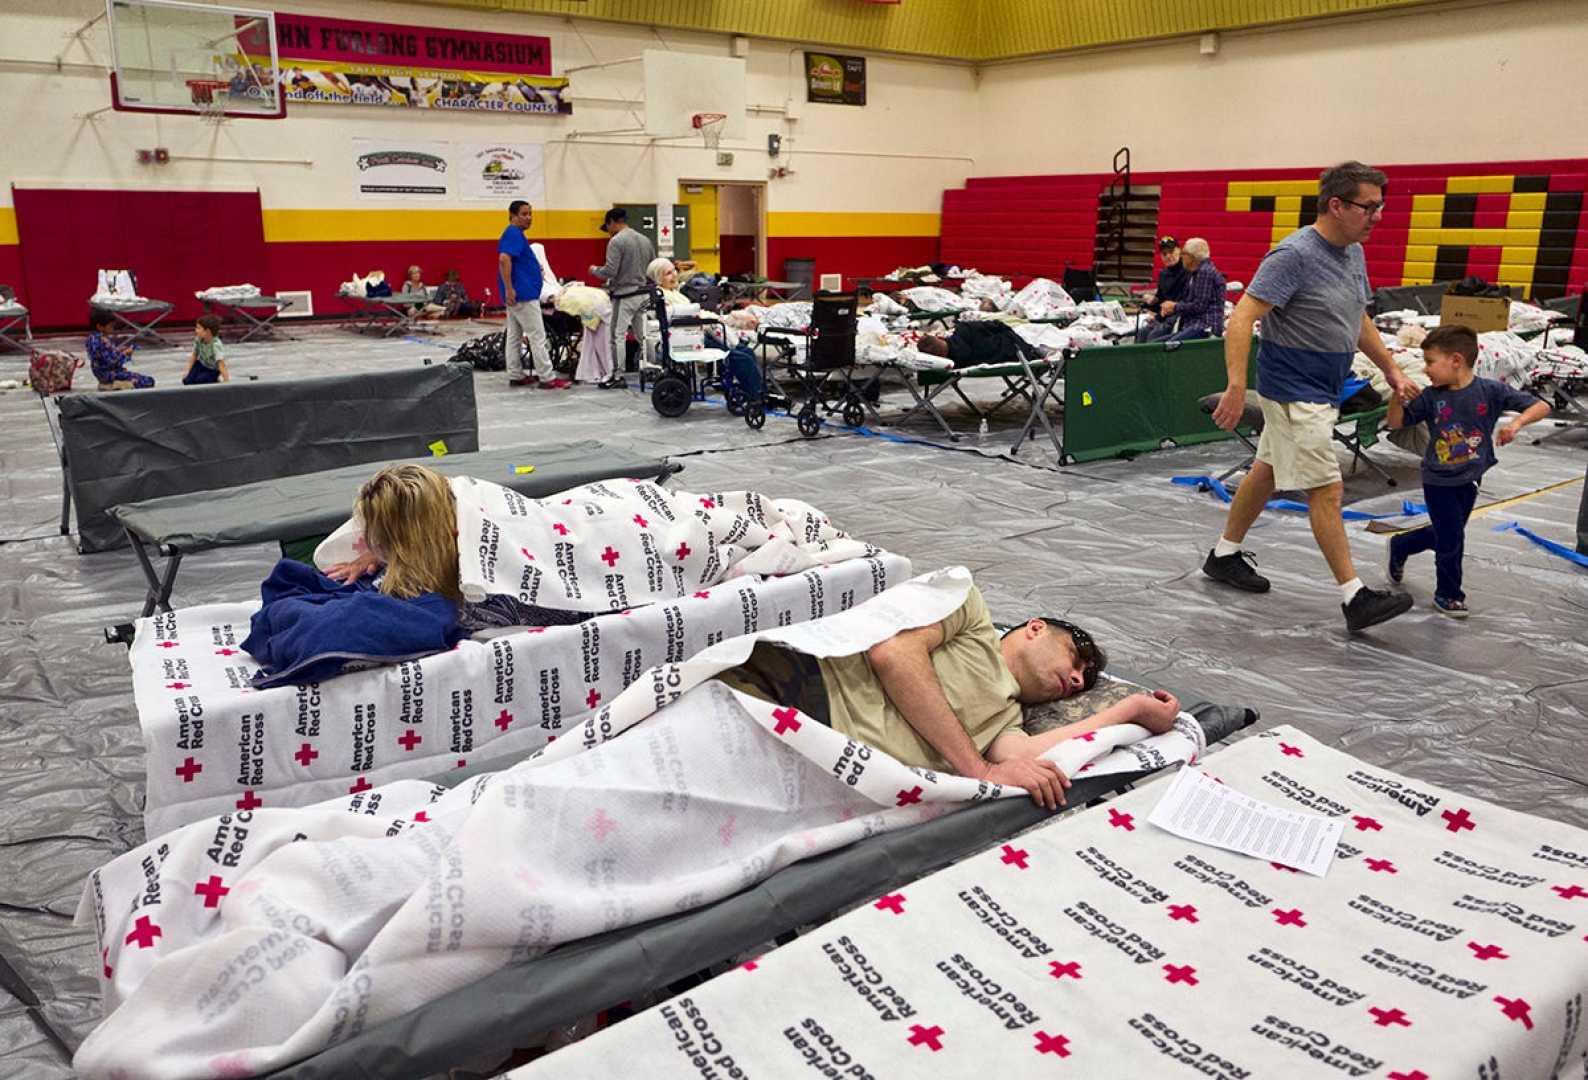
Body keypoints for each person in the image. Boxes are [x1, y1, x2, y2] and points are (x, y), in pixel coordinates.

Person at [717, 586, 1182, 809]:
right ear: (1035, 627)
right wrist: (977, 769)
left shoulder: (1007, 719)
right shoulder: (970, 613)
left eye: (1085, 678)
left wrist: (1131, 710)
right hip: (799, 686)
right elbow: (894, 654)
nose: (1079, 679)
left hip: (823, 758)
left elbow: (1031, 757)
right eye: (1077, 657)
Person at [1205, 161, 1419, 635]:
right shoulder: (1293, 255)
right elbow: (1242, 319)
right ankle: (1354, 596)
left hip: (1323, 390)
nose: (1377, 216)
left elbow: (1357, 317)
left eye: (1381, 207)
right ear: (1336, 205)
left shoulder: (1352, 254)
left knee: (1266, 471)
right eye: (1369, 207)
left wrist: (1391, 369)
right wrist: (1238, 385)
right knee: (1326, 487)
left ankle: (1223, 555)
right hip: (1291, 391)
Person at [1386, 325, 1550, 616]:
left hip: (1472, 477)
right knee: (1452, 539)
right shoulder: (1430, 397)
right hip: (1438, 479)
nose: (1426, 370)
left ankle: (1402, 544)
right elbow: (1398, 423)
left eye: (1430, 362)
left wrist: (1515, 424)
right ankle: (1448, 594)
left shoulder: (1490, 391)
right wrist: (1396, 398)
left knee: (1448, 533)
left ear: (1456, 361)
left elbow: (1541, 405)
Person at [498, 201, 569, 390]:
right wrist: (510, 288)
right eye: (524, 214)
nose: (529, 217)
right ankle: (547, 377)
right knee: (538, 336)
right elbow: (504, 260)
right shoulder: (513, 233)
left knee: (514, 336)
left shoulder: (516, 235)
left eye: (530, 214)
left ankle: (515, 374)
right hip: (523, 294)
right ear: (513, 216)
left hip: (520, 293)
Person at [590, 208, 656, 381]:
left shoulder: (616, 241)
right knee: (643, 335)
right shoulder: (645, 240)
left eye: (608, 228)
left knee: (616, 336)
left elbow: (610, 271)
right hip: (643, 294)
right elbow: (652, 268)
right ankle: (652, 368)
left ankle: (617, 375)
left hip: (625, 295)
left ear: (612, 222)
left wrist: (594, 270)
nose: (608, 233)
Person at [1140, 237, 1225, 343]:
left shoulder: (1204, 272)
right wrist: (1156, 306)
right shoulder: (1196, 272)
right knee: (1148, 337)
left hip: (1204, 325)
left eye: (1184, 254)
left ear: (1192, 257)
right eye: (1164, 254)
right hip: (1191, 322)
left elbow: (1199, 306)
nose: (1182, 257)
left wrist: (1174, 306)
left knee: (1158, 344)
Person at [85, 309, 154, 390]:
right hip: (108, 374)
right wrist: (124, 354)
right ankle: (114, 385)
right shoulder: (100, 341)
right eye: (110, 326)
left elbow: (106, 355)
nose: (112, 329)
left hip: (104, 374)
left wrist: (118, 350)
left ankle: (115, 384)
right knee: (148, 381)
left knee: (143, 379)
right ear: (100, 326)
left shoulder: (94, 339)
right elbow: (110, 361)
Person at [1135, 236, 1187, 341]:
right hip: (1164, 317)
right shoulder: (1163, 274)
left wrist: (1165, 311)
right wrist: (1152, 301)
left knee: (1153, 337)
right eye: (1164, 254)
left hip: (1180, 317)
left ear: (1179, 251)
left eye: (1171, 251)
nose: (1168, 256)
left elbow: (1187, 301)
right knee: (1141, 333)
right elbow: (1161, 299)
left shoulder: (1188, 272)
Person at [181, 314, 230, 386]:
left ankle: (214, 379)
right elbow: (194, 355)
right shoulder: (198, 339)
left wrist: (226, 381)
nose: (196, 330)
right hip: (201, 364)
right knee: (187, 381)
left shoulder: (216, 345)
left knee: (200, 381)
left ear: (207, 331)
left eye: (198, 328)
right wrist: (187, 371)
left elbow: (221, 364)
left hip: (212, 369)